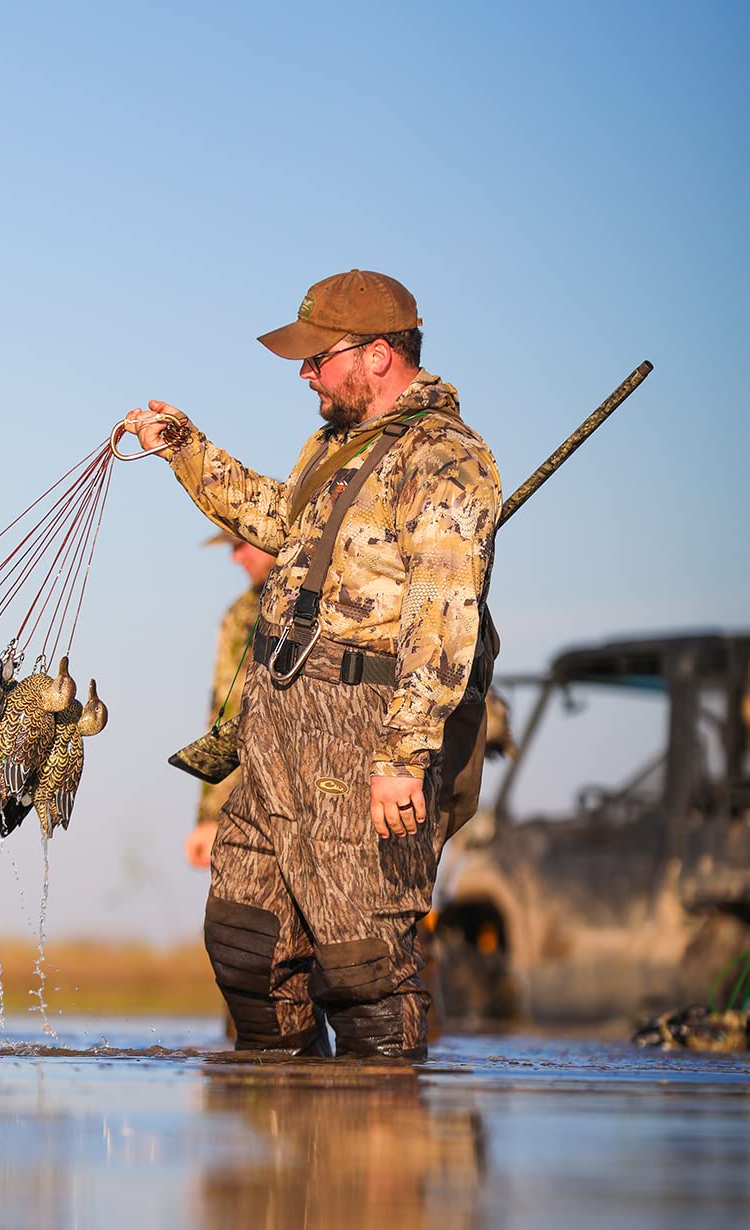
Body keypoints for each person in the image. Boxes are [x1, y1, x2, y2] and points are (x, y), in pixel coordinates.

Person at [126, 269, 501, 1059]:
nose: (305, 374)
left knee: (362, 968)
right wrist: (185, 449)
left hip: (363, 730)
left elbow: (442, 614)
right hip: (278, 718)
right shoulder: (336, 448)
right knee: (245, 944)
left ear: (376, 355)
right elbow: (276, 519)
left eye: (317, 357)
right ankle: (283, 1138)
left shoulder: (446, 458)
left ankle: (381, 1150)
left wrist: (404, 756)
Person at [185, 533, 276, 868]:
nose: (235, 558)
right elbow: (228, 715)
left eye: (241, 544)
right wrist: (212, 817)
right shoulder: (242, 615)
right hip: (259, 805)